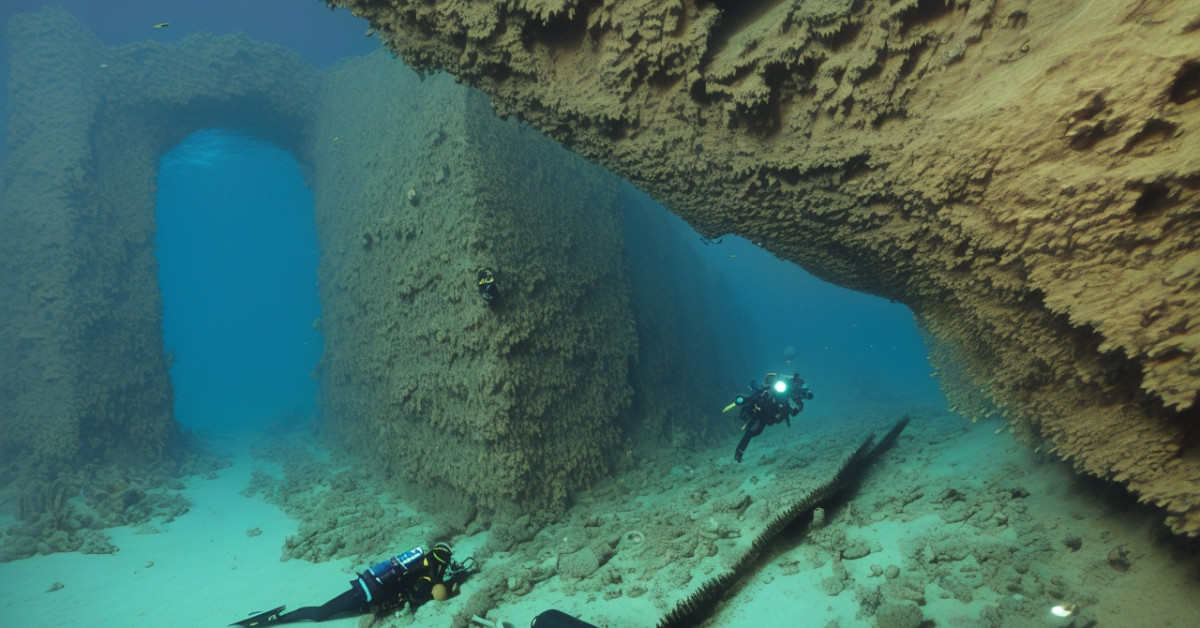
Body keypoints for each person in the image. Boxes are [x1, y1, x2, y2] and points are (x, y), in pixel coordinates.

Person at [230, 542, 475, 626]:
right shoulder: (429, 574)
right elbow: (424, 595)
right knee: (318, 615)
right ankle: (276, 619)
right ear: (443, 562)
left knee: (327, 609)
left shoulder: (420, 560)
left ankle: (275, 616)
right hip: (368, 595)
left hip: (366, 585)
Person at [725, 372, 813, 463]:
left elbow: (795, 410)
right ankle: (738, 454)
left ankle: (739, 452)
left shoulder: (792, 396)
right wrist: (745, 399)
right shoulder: (772, 388)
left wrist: (791, 407)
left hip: (772, 416)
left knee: (755, 431)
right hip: (761, 411)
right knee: (751, 431)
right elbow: (757, 391)